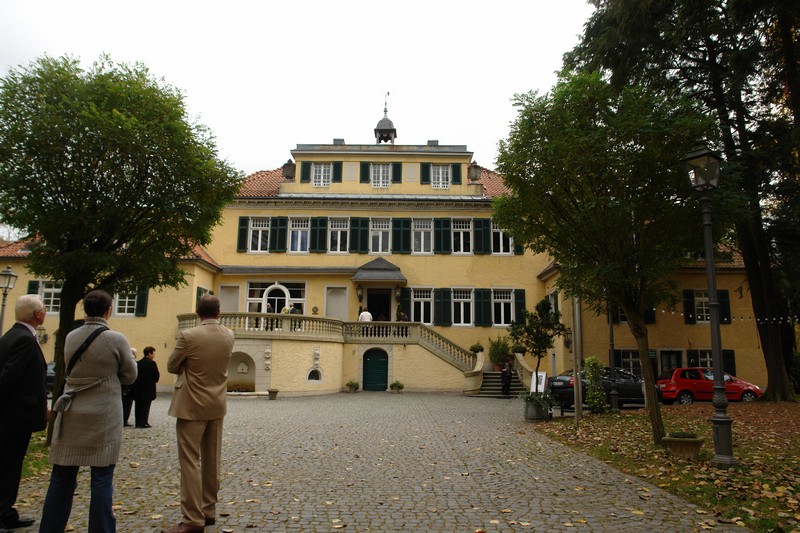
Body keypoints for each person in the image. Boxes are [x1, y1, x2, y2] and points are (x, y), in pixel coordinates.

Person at [39, 290, 137, 533]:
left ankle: (50, 528)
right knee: (102, 478)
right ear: (108, 310)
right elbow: (130, 375)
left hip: (72, 410)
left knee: (61, 477)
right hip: (103, 414)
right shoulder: (116, 339)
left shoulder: (71, 336)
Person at [162, 295, 234, 533]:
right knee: (212, 459)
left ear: (197, 312)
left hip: (191, 404)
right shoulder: (229, 335)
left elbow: (172, 365)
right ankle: (208, 510)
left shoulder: (189, 336)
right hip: (216, 403)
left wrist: (187, 365)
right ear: (219, 312)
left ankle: (193, 518)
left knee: (190, 460)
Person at [0, 295, 47, 532]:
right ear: (37, 314)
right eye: (44, 309)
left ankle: (6, 511)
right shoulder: (24, 339)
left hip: (13, 413)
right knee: (8, 466)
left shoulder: (11, 335)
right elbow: (8, 377)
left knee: (7, 463)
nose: (46, 312)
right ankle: (3, 513)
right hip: (16, 415)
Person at [133, 346, 160, 428]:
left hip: (138, 388)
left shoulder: (138, 363)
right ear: (149, 353)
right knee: (146, 406)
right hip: (148, 388)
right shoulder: (152, 363)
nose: (154, 355)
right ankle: (144, 422)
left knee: (138, 406)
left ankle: (138, 422)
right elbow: (156, 376)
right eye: (153, 353)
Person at [122, 348, 137, 427]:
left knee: (126, 405)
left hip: (126, 386)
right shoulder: (130, 362)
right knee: (126, 405)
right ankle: (124, 420)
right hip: (127, 386)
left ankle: (124, 420)